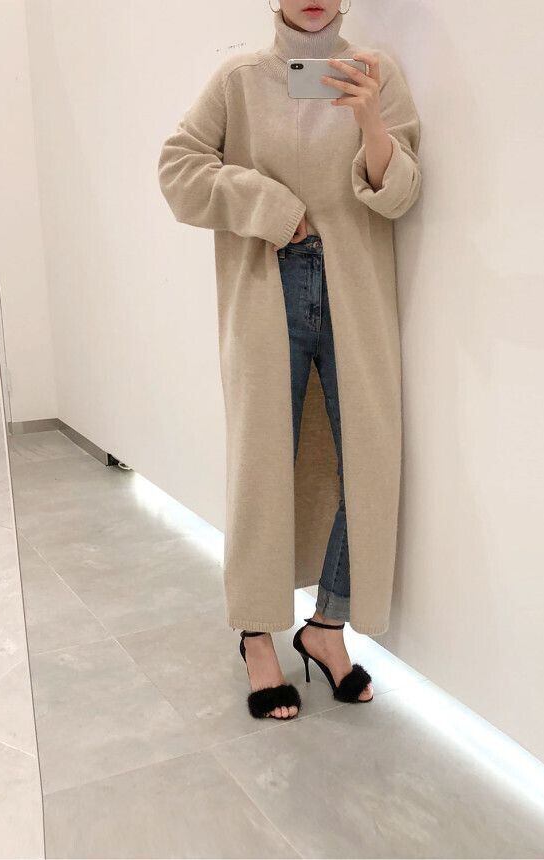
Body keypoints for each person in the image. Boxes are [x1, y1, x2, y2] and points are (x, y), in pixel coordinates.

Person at [157, 0, 421, 720]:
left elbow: (399, 194)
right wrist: (266, 203)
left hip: (353, 299)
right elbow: (178, 169)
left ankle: (326, 626)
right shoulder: (239, 80)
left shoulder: (375, 74)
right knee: (262, 466)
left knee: (367, 463)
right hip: (267, 293)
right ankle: (257, 635)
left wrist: (371, 119)